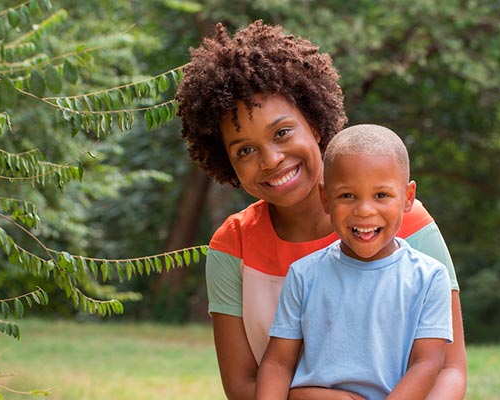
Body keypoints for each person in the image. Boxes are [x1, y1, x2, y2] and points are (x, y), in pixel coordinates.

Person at [176, 20, 466, 400]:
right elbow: (243, 385)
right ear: (227, 162)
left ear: (313, 123)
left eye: (282, 133)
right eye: (245, 150)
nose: (271, 159)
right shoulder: (234, 244)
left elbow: (449, 368)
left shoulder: (404, 223)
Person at [255, 124, 453, 400]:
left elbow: (427, 363)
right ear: (326, 199)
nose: (364, 210)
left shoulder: (429, 277)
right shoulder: (304, 274)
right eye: (347, 196)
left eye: (381, 195)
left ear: (408, 198)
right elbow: (277, 362)